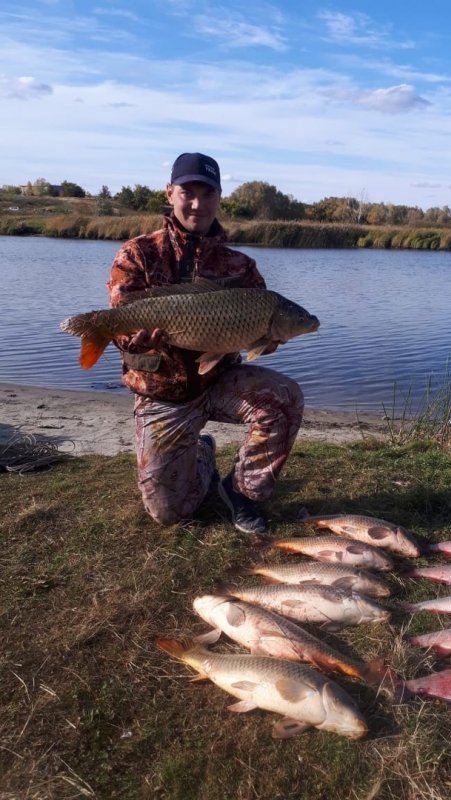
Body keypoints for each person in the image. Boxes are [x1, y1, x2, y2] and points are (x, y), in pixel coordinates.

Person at [106, 152, 304, 532]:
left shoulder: (241, 267)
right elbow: (121, 324)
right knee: (170, 513)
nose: (198, 203)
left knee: (285, 396)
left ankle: (243, 492)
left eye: (207, 193)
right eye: (188, 192)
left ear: (219, 197)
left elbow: (257, 341)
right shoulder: (138, 254)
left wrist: (269, 341)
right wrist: (136, 339)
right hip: (162, 393)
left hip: (218, 383)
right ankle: (202, 454)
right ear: (169, 193)